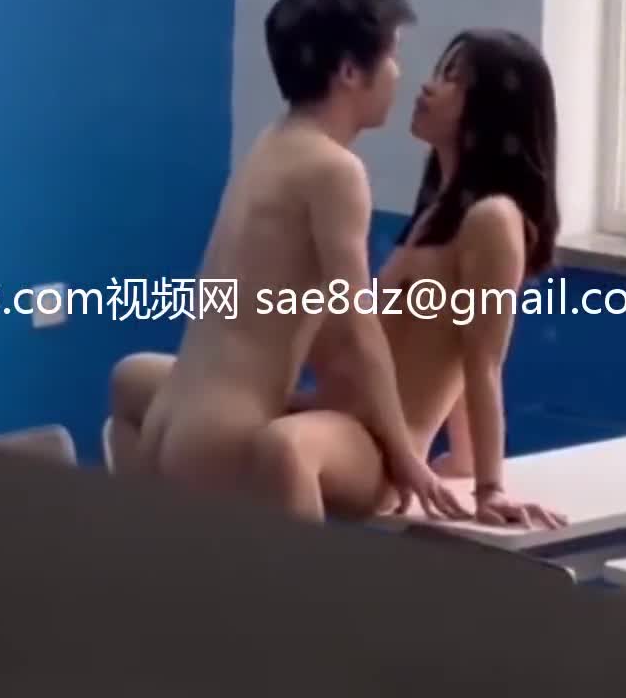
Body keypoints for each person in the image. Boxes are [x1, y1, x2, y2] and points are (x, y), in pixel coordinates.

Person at [115, 27, 565, 531]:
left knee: (286, 448)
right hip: (333, 413)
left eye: (453, 79)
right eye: (440, 70)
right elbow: (451, 340)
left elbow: (482, 360)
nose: (428, 85)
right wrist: (460, 457)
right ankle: (146, 540)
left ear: (493, 108)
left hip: (379, 448)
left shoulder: (493, 219)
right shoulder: (434, 213)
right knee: (136, 379)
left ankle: (308, 581)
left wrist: (488, 486)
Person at [110, 0, 462, 521]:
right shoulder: (336, 170)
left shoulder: (271, 142)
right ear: (350, 71)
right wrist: (404, 453)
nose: (399, 74)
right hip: (223, 440)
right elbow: (358, 325)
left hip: (173, 417)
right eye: (392, 56)